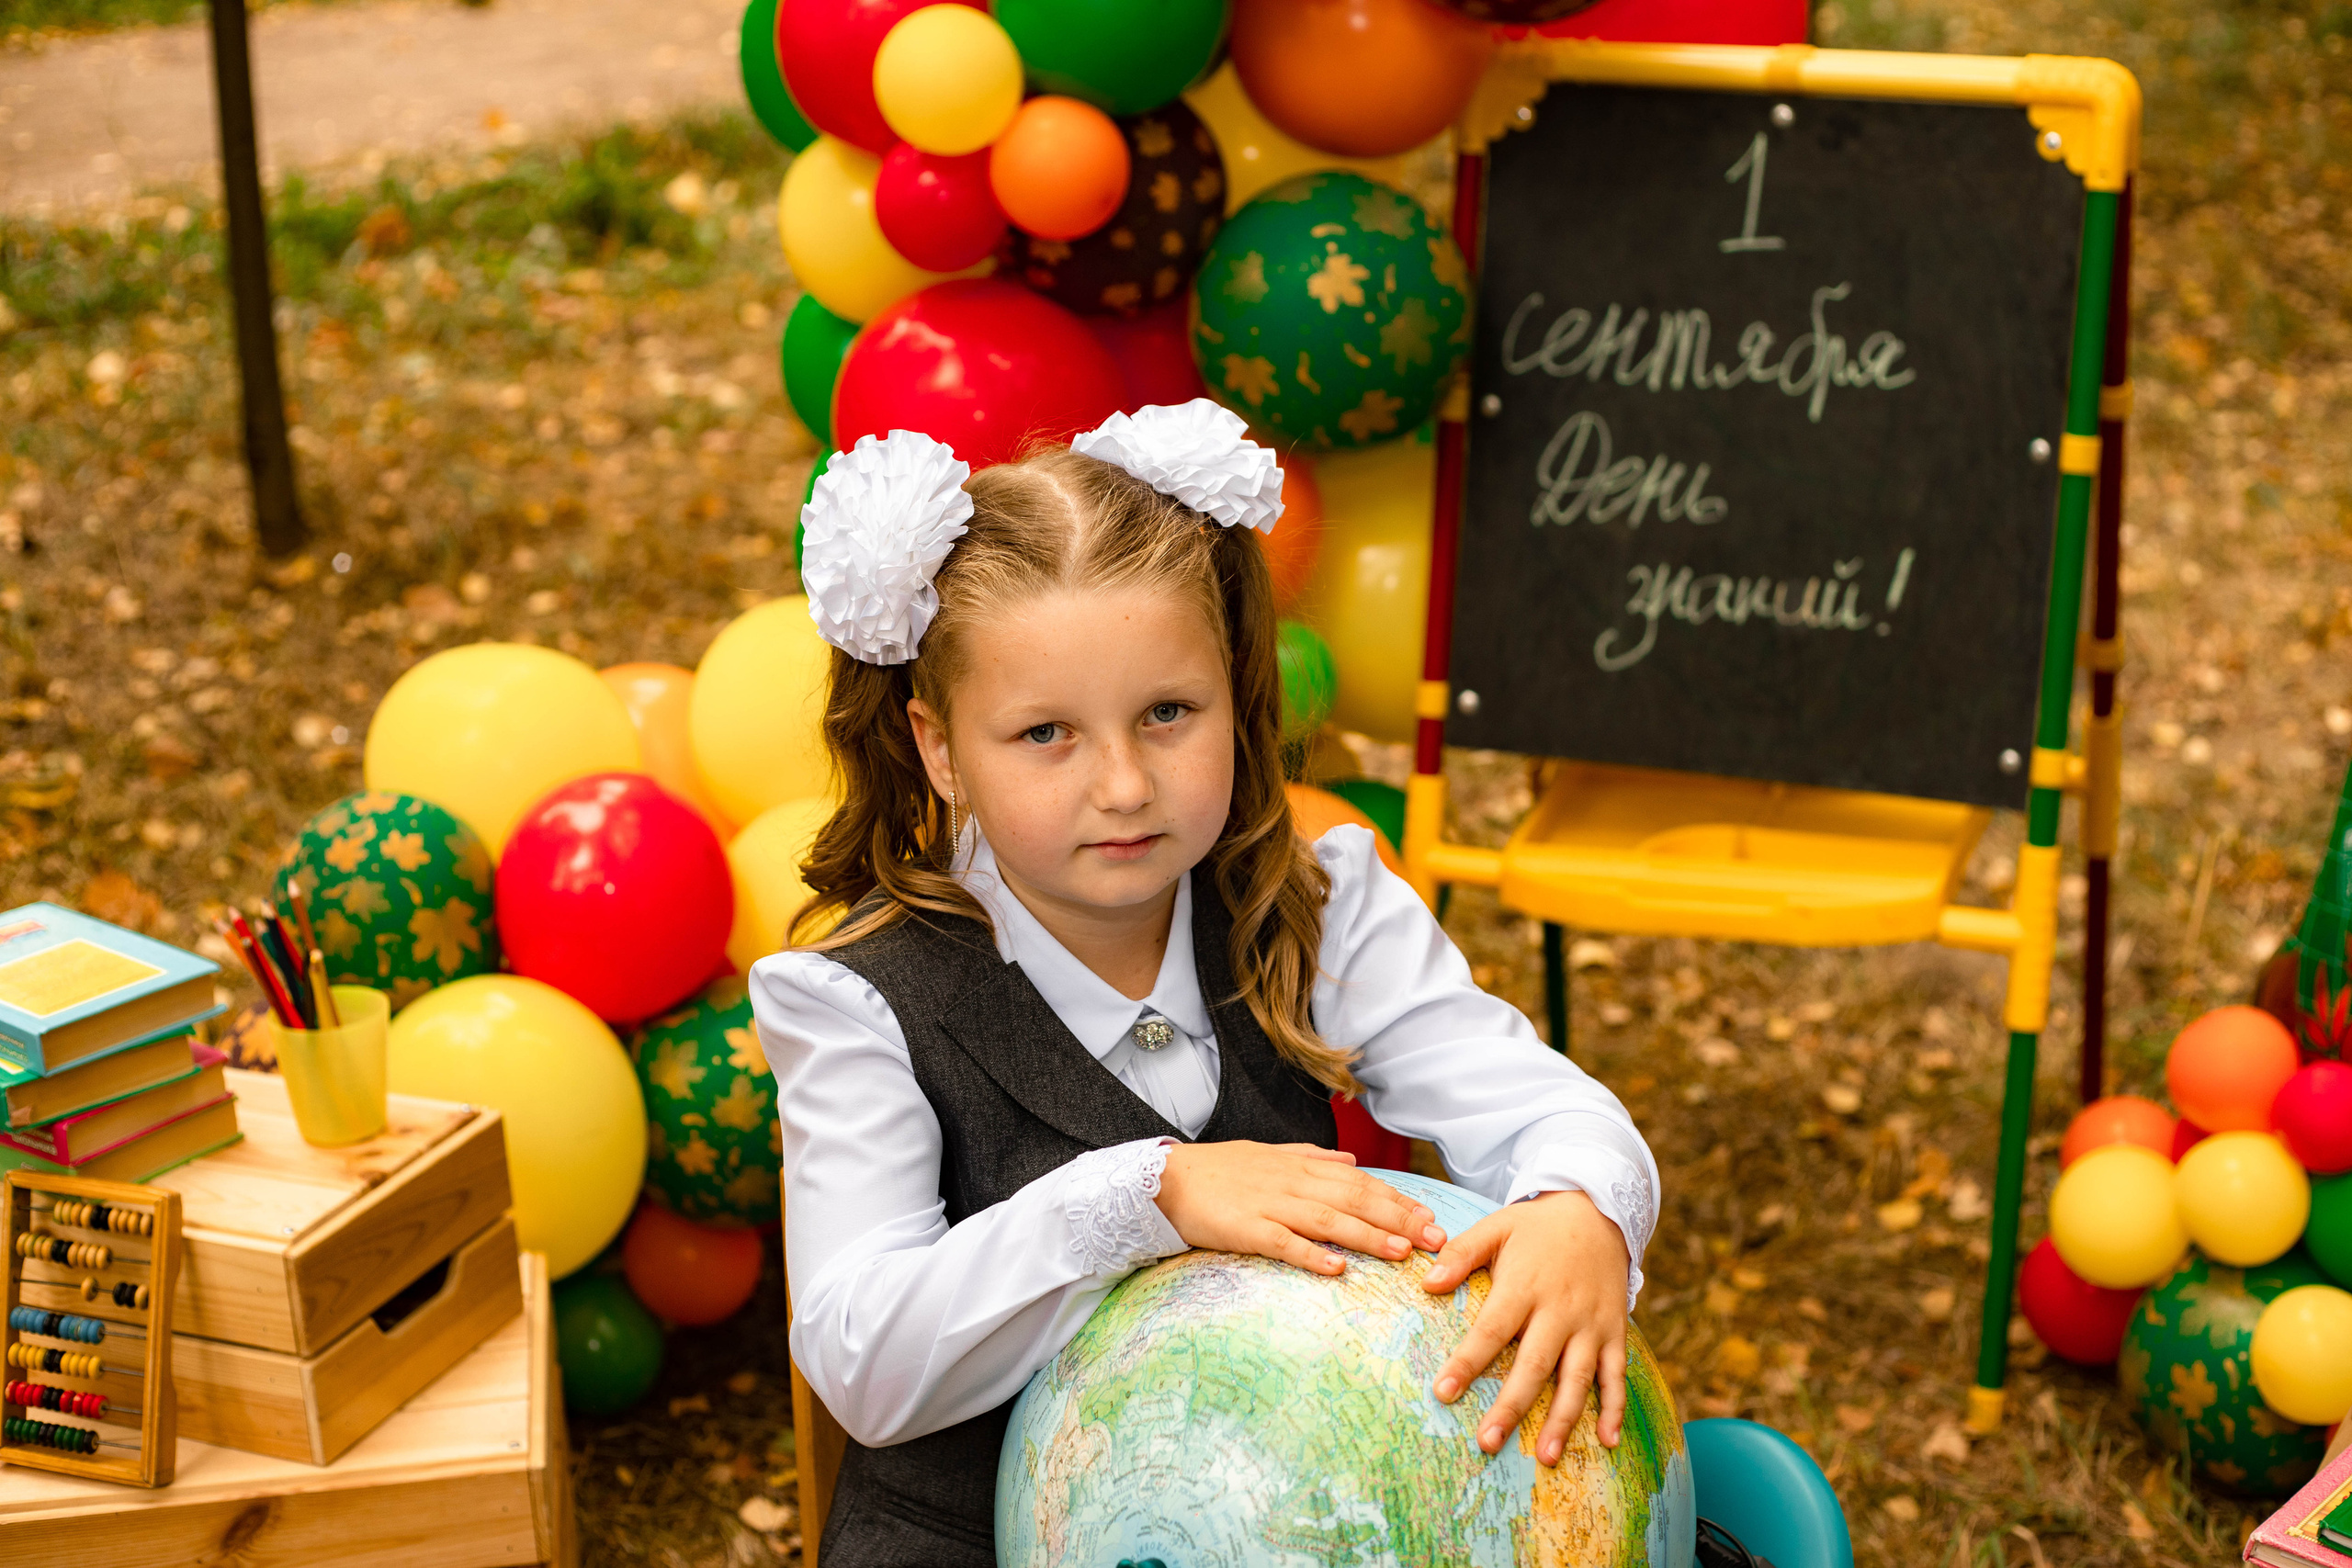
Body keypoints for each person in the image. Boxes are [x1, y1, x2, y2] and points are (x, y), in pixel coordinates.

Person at [750, 400, 1660, 1567]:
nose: (1124, 784)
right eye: (1046, 735)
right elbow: (864, 1362)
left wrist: (1576, 1204)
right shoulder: (860, 1000)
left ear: (1235, 690)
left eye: (1168, 714)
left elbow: (1542, 1106)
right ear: (938, 749)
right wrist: (1148, 1195)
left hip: (1283, 1513)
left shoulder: (1316, 906)